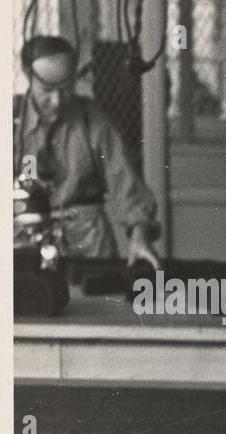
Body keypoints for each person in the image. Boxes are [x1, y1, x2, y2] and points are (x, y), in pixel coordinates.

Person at [13, 35, 161, 266]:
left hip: (88, 245)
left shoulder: (94, 121)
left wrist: (139, 236)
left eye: (66, 89)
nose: (57, 101)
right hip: (21, 244)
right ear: (26, 75)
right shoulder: (7, 121)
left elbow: (128, 186)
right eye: (47, 90)